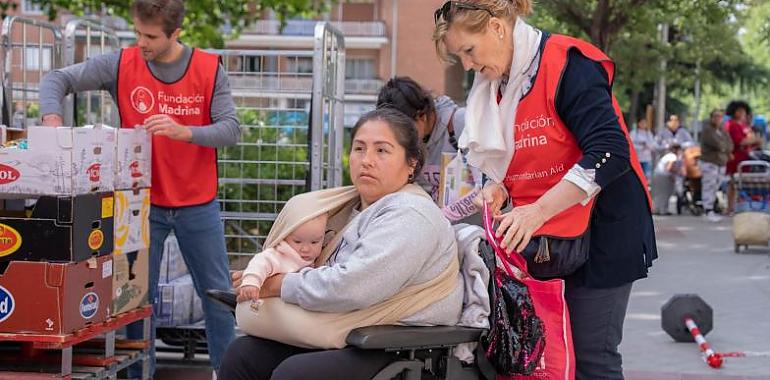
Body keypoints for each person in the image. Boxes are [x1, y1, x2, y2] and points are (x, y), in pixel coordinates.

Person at [432, 1, 657, 379]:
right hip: (550, 238)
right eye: (460, 57)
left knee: (591, 359)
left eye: (469, 51)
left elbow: (609, 151)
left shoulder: (569, 64)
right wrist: (499, 188)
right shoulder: (495, 87)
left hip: (604, 228)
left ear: (497, 29)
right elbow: (515, 156)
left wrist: (536, 211)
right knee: (547, 358)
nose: (467, 66)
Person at [38, 0, 240, 377]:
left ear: (175, 33)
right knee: (133, 301)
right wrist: (51, 117)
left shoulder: (209, 69)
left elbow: (231, 130)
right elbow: (56, 80)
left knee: (217, 297)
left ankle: (226, 373)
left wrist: (186, 132)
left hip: (199, 202)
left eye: (150, 36)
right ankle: (138, 375)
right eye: (138, 32)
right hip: (140, 203)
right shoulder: (120, 63)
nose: (142, 42)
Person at [218, 108, 463, 380]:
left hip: (393, 339)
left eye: (382, 151)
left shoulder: (411, 214)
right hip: (345, 326)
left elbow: (353, 286)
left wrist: (277, 285)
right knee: (242, 355)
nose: (366, 160)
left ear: (411, 163)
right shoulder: (348, 207)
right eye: (359, 148)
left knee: (295, 374)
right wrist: (258, 276)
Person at [376, 76, 478, 221]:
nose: (402, 137)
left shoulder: (464, 123)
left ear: (421, 117)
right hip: (442, 234)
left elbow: (486, 188)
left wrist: (439, 218)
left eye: (405, 129)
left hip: (481, 233)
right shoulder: (409, 145)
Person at [237, 213, 328, 303]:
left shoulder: (316, 258)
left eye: (314, 242)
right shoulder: (280, 254)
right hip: (265, 307)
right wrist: (251, 282)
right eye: (297, 241)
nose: (305, 249)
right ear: (284, 236)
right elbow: (260, 263)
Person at [725, 100, 758, 214]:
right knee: (734, 183)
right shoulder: (732, 125)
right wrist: (753, 139)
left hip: (745, 156)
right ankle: (730, 207)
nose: (743, 113)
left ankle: (737, 205)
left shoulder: (743, 125)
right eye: (740, 111)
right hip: (736, 157)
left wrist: (754, 140)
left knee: (740, 183)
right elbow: (740, 141)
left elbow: (752, 140)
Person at [699, 108, 732, 222]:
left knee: (716, 186)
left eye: (720, 117)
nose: (718, 119)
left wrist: (725, 148)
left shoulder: (722, 130)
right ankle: (707, 209)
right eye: (716, 116)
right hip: (710, 162)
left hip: (720, 162)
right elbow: (717, 144)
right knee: (709, 185)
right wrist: (724, 147)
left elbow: (729, 144)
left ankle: (711, 207)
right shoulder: (708, 130)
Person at [652, 143, 685, 215]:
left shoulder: (668, 156)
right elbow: (669, 168)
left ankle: (657, 210)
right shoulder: (673, 156)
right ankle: (663, 211)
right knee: (665, 193)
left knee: (659, 193)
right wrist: (677, 173)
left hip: (658, 175)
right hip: (663, 177)